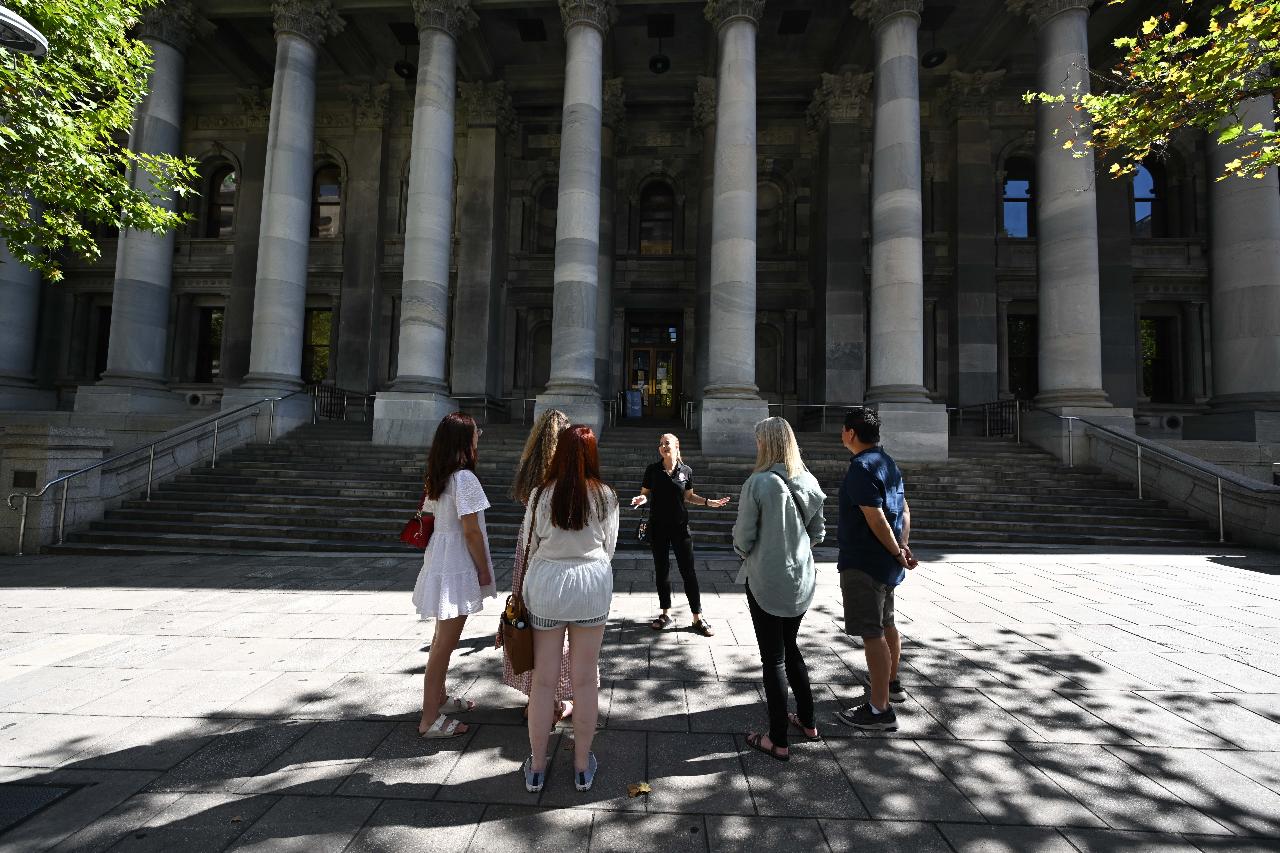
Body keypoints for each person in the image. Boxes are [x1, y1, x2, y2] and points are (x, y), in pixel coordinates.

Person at [519, 425, 619, 793]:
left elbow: (530, 543)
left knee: (543, 681)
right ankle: (580, 766)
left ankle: (537, 766)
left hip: (547, 584)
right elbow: (609, 546)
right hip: (590, 585)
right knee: (585, 679)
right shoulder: (606, 496)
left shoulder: (541, 494)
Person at [732, 417, 827, 761]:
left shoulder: (758, 482)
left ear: (766, 443)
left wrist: (753, 552)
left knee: (773, 657)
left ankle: (777, 740)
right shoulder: (808, 480)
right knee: (791, 646)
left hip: (767, 580)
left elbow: (743, 537)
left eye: (758, 440)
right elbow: (819, 533)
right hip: (801, 579)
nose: (756, 445)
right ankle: (809, 721)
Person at [410, 412, 496, 738]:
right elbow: (471, 531)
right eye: (475, 432)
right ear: (464, 440)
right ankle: (429, 718)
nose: (478, 437)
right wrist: (484, 569)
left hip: (441, 558)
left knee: (441, 638)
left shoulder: (440, 475)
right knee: (444, 644)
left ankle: (440, 698)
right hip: (457, 562)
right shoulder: (464, 479)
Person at [833, 407, 917, 733]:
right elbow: (904, 509)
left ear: (851, 433)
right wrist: (902, 546)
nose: (842, 434)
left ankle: (879, 709)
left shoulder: (861, 467)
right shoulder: (887, 463)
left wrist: (897, 550)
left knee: (872, 633)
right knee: (887, 623)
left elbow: (875, 516)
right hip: (886, 563)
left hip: (864, 562)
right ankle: (891, 683)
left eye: (843, 429)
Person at [497, 408, 575, 722]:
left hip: (529, 549)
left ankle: (536, 699)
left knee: (533, 629)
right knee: (557, 635)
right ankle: (550, 704)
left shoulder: (531, 468)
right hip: (552, 553)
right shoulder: (562, 472)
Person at [630, 432, 730, 636]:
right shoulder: (652, 470)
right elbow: (645, 493)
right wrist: (641, 499)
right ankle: (665, 614)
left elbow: (689, 496)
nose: (663, 446)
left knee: (688, 572)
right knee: (662, 571)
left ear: (676, 446)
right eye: (660, 444)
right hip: (658, 528)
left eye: (667, 443)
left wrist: (708, 502)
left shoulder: (686, 471)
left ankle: (697, 617)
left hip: (680, 528)